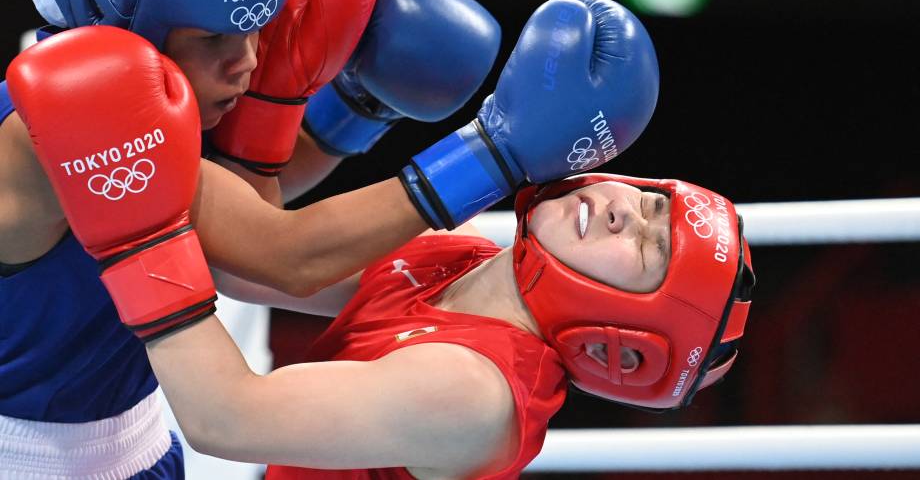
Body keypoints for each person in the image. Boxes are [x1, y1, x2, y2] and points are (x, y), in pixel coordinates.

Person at [0, 0, 659, 478]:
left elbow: (235, 228)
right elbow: (282, 254)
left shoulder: (126, 103)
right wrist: (492, 153)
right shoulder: (59, 128)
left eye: (258, 29)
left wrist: (352, 113)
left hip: (133, 441)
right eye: (215, 38)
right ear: (120, 11)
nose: (249, 62)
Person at [93, 171, 757, 479]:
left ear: (629, 344)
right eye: (646, 203)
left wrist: (116, 189)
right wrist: (333, 105)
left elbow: (223, 417)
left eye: (647, 248)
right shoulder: (458, 255)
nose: (622, 214)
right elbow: (261, 259)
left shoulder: (474, 391)